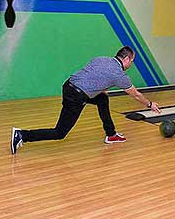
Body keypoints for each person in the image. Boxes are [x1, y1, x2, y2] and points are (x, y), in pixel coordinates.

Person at [10, 46, 161, 154]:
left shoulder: (101, 59)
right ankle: (22, 135)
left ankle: (111, 134)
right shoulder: (119, 74)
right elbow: (135, 95)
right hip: (76, 96)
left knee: (102, 99)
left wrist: (102, 87)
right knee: (59, 133)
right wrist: (149, 104)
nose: (131, 64)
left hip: (68, 85)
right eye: (132, 61)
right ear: (126, 59)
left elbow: (91, 75)